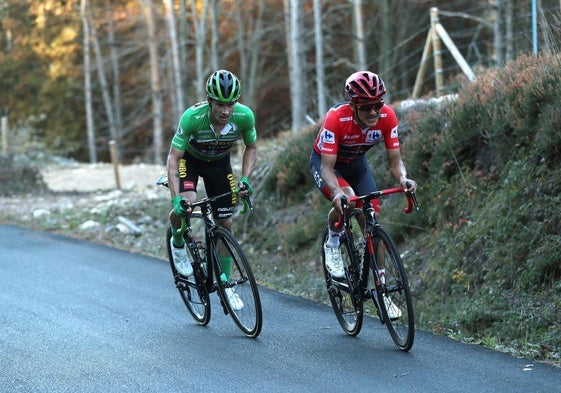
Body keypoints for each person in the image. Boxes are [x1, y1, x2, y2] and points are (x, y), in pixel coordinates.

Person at [309, 70, 417, 318]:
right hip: (327, 165)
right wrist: (337, 192)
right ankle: (333, 242)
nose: (373, 112)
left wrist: (403, 179)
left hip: (356, 165)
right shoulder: (336, 118)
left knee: (371, 219)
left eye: (377, 105)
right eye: (366, 106)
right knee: (347, 202)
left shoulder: (387, 117)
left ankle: (381, 293)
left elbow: (395, 162)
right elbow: (326, 168)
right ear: (353, 105)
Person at [166, 69, 257, 310]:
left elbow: (252, 147)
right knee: (187, 203)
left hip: (219, 164)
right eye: (219, 104)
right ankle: (178, 242)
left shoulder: (244, 116)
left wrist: (246, 178)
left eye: (231, 104)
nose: (226, 111)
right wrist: (176, 198)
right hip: (190, 162)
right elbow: (173, 158)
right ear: (209, 101)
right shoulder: (192, 118)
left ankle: (226, 285)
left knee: (225, 223)